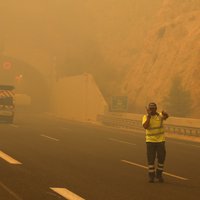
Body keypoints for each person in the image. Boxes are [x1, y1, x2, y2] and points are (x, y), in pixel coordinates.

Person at [142, 102, 169, 183]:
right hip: (150, 141)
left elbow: (166, 117)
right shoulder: (145, 117)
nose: (152, 110)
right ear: (148, 110)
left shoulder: (159, 115)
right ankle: (151, 176)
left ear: (156, 109)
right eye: (150, 109)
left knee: (161, 157)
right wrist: (149, 117)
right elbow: (145, 126)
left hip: (160, 140)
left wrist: (165, 114)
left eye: (153, 109)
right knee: (151, 159)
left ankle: (159, 174)